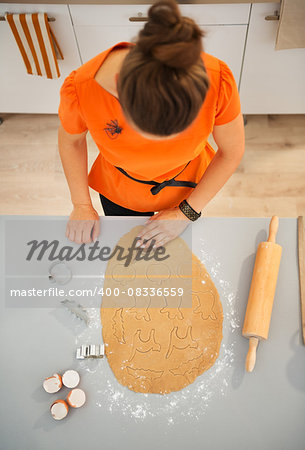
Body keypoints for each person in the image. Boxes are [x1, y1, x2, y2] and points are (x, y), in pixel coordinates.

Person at [58, 0, 244, 248]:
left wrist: (186, 212)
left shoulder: (218, 79)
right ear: (121, 86)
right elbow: (71, 142)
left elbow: (231, 152)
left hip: (189, 189)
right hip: (120, 192)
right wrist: (81, 204)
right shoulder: (82, 88)